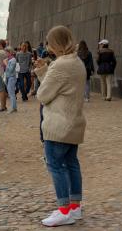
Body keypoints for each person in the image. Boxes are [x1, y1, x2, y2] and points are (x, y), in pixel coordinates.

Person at [34, 26, 86, 227]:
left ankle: (63, 210)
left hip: (58, 125)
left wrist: (43, 72)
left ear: (56, 43)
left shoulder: (60, 65)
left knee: (55, 165)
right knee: (72, 164)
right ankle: (74, 207)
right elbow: (62, 85)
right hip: (74, 122)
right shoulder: (76, 61)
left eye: (49, 42)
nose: (48, 46)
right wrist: (44, 70)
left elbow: (43, 95)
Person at [4, 47, 17, 113]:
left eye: (6, 52)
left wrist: (6, 63)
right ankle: (14, 107)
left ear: (9, 52)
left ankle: (13, 108)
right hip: (8, 77)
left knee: (11, 93)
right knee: (10, 92)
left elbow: (11, 70)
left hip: (12, 77)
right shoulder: (9, 59)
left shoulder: (13, 60)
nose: (5, 53)